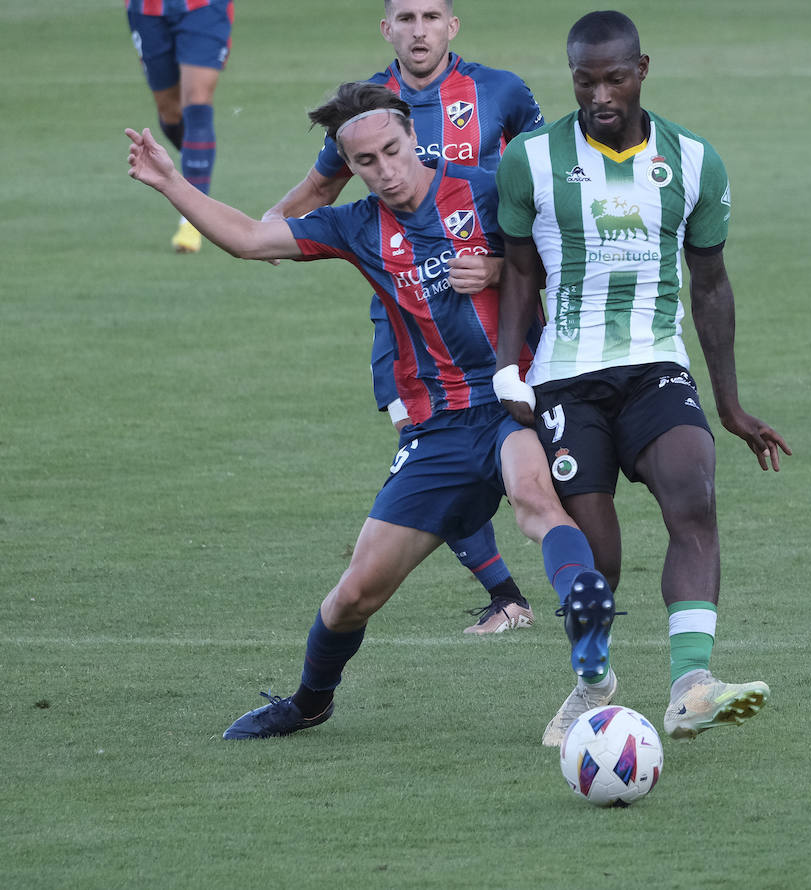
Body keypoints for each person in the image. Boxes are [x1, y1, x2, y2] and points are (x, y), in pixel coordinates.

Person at [126, 80, 616, 740]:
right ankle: (310, 701)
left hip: (512, 399)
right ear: (347, 165)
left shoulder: (486, 189)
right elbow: (248, 238)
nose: (385, 171)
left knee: (535, 498)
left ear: (415, 137)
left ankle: (586, 619)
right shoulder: (353, 225)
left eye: (392, 151)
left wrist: (499, 269)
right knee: (356, 594)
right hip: (437, 428)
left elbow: (574, 256)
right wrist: (169, 184)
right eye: (366, 162)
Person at [492, 10, 792, 747]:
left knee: (694, 494)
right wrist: (507, 369)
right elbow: (520, 273)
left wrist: (728, 401)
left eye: (614, 78)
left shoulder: (692, 160)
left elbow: (711, 284)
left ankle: (691, 684)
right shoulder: (531, 160)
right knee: (600, 562)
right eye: (585, 80)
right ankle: (592, 680)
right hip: (567, 379)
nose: (600, 94)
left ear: (642, 70)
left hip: (657, 365)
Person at [263, 0, 546, 634]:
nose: (419, 31)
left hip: (499, 307)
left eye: (431, 15)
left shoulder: (501, 92)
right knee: (425, 442)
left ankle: (570, 579)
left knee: (536, 441)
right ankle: (506, 594)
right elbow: (321, 187)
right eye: (406, 18)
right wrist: (263, 233)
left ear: (453, 23)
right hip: (404, 310)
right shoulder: (365, 109)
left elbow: (542, 185)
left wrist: (501, 268)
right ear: (386, 27)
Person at [126, 0, 234, 253]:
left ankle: (192, 221)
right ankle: (197, 163)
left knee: (197, 104)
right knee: (170, 111)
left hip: (204, 7)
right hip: (147, 9)